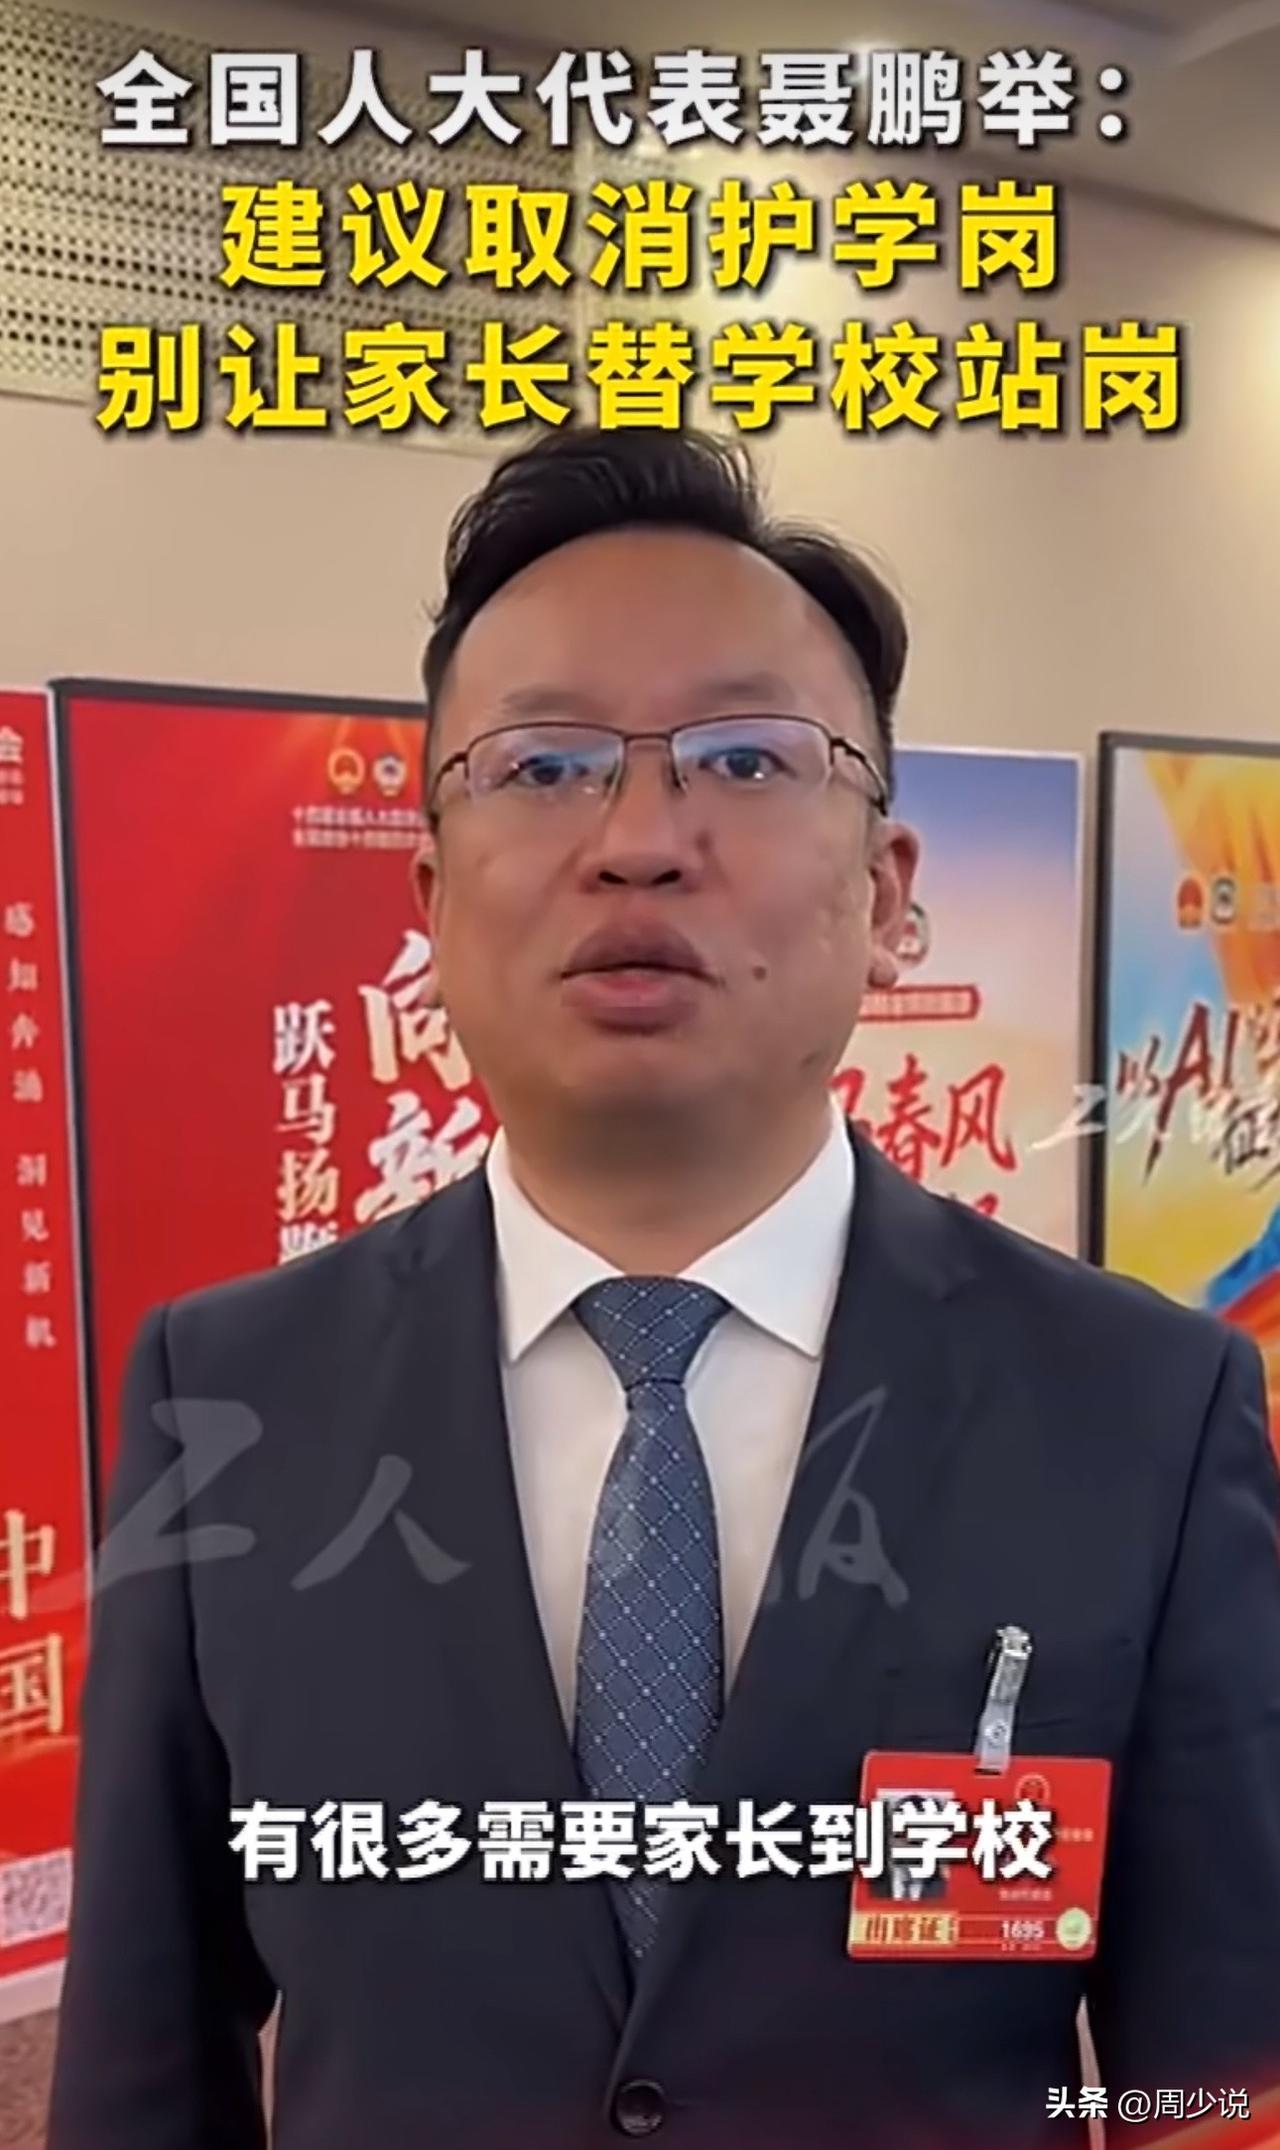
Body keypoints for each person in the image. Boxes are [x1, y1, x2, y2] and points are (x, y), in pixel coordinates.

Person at [49, 428, 1280, 2150]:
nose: (639, 839)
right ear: (431, 902)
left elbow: (1221, 2072)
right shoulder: (230, 1390)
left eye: (745, 757)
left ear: (889, 895)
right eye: (544, 764)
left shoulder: (1143, 1408)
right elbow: (140, 2067)